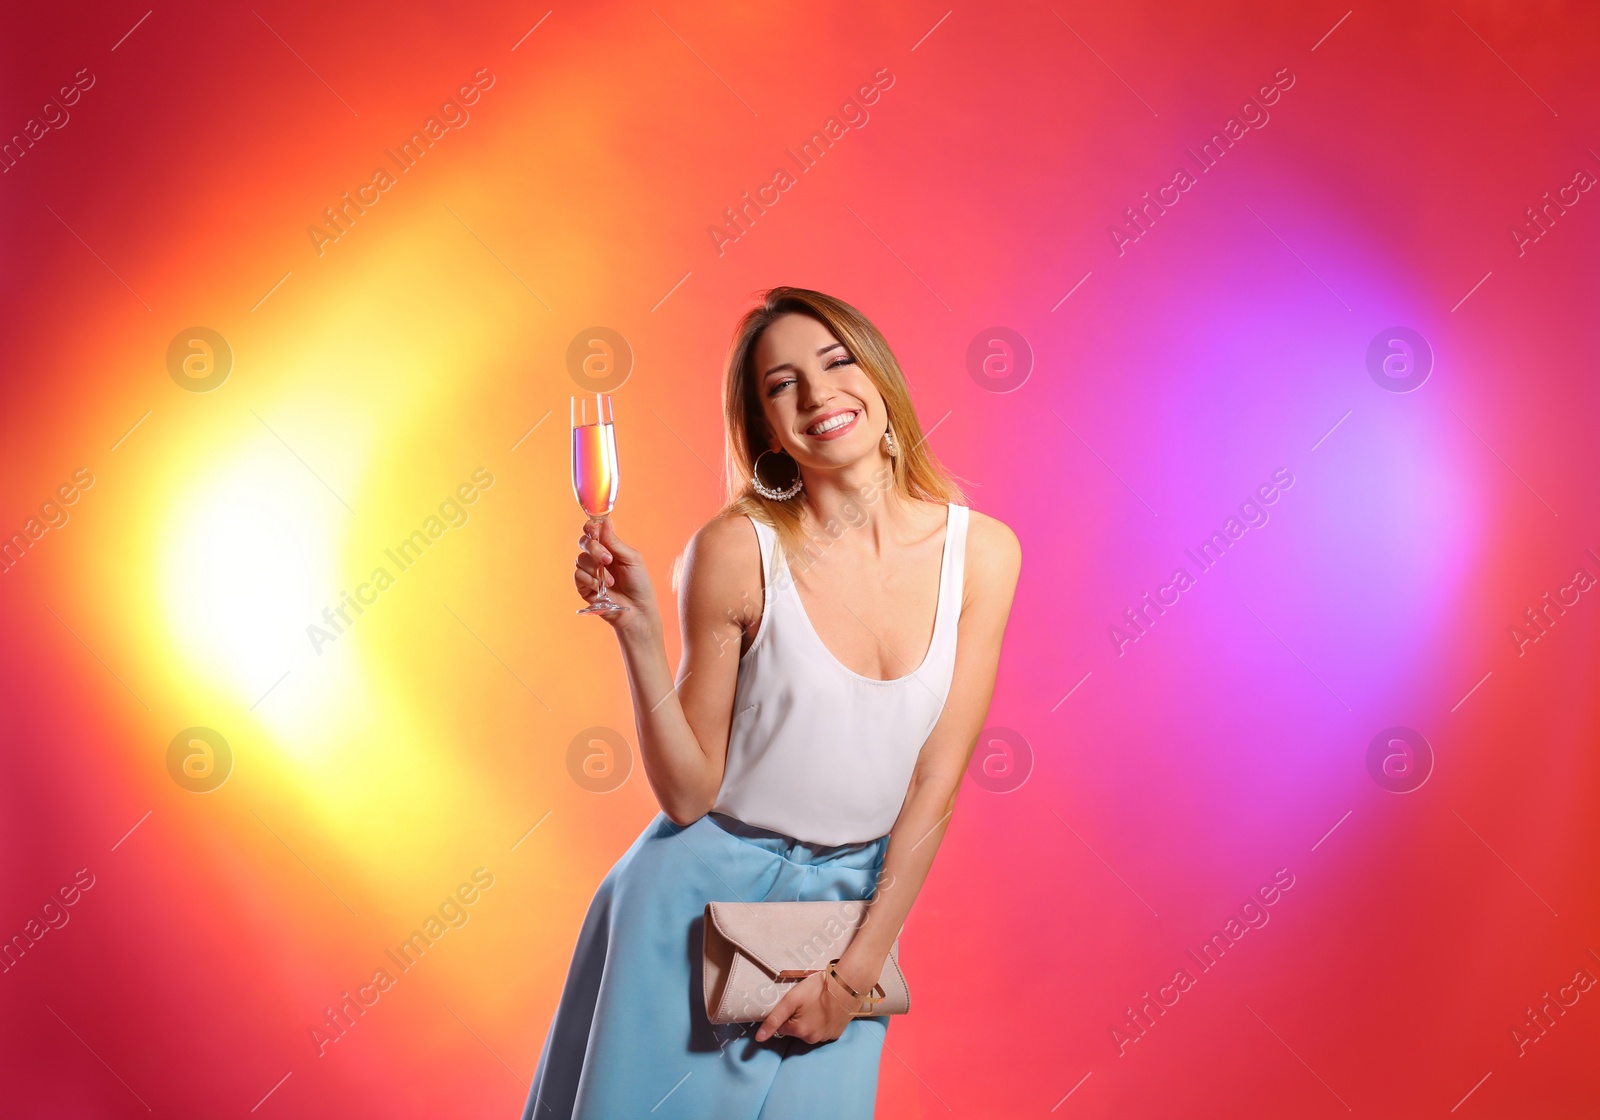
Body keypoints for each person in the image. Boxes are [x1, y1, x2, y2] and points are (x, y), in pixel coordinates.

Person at [523, 286, 1021, 1119]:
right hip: (691, 915)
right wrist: (639, 633)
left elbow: (936, 784)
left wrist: (852, 978)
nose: (819, 394)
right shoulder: (735, 549)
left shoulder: (985, 555)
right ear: (765, 428)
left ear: (880, 378)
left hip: (843, 926)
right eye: (781, 384)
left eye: (835, 361)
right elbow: (688, 793)